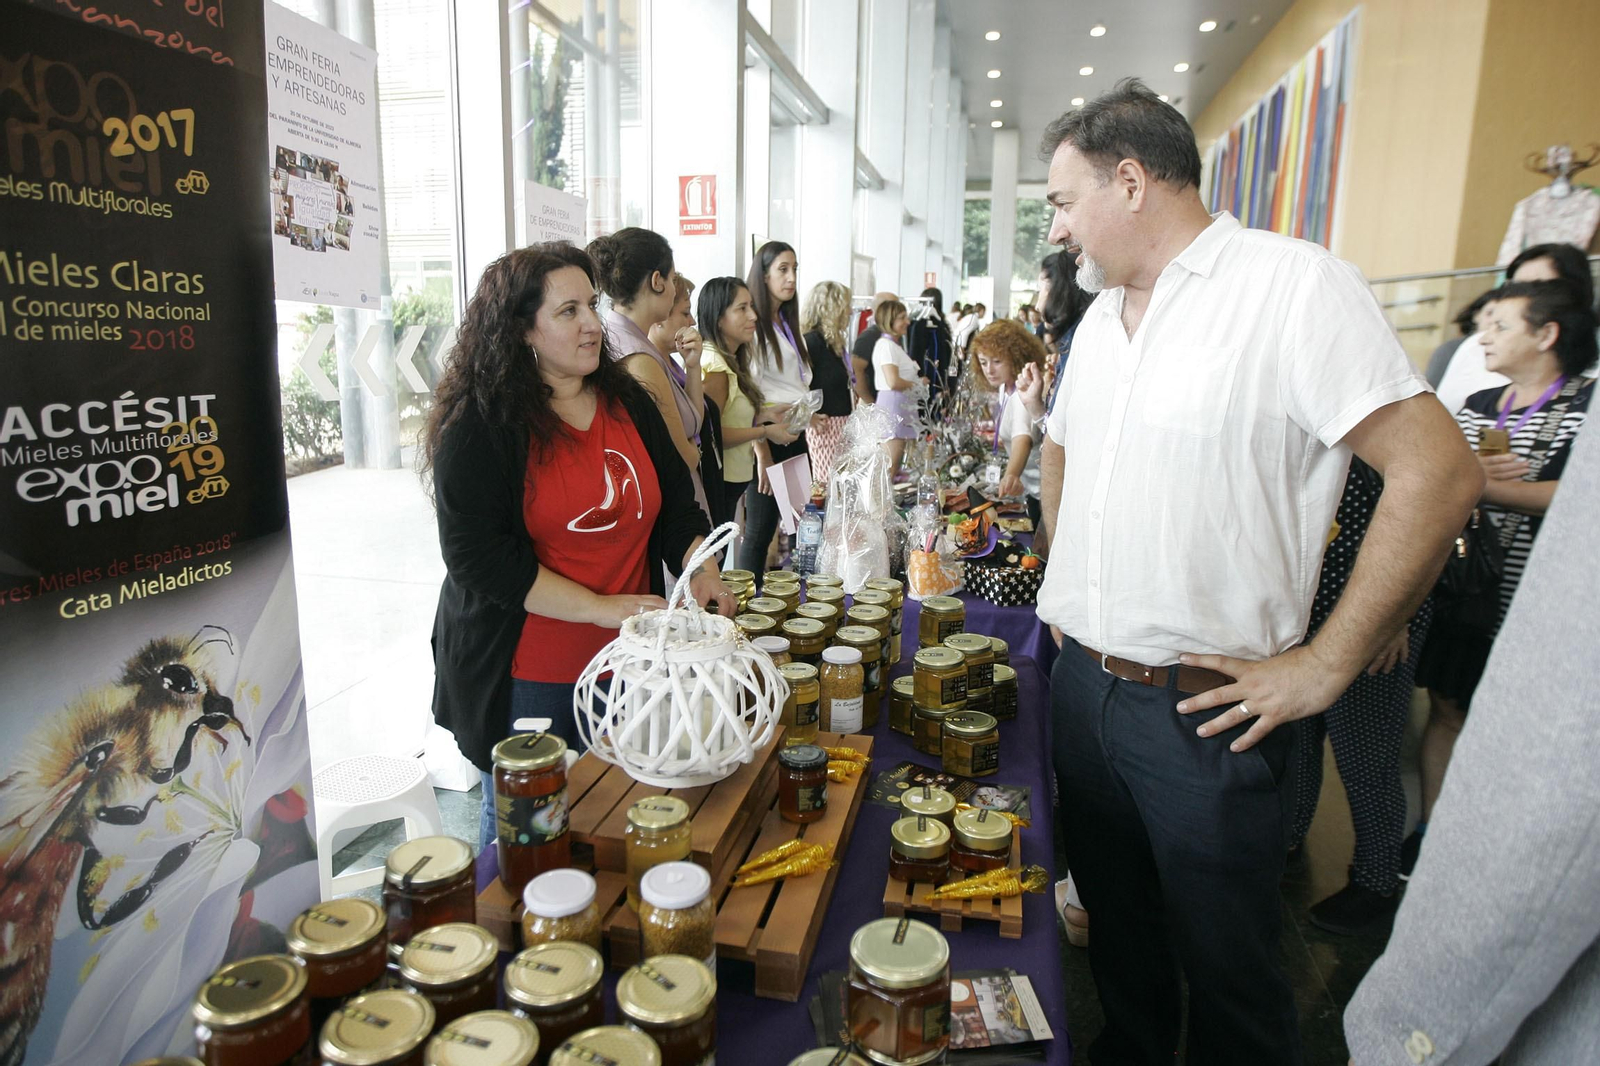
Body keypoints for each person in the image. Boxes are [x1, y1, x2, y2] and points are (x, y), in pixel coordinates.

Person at [1034, 80, 1481, 1066]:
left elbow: (1437, 472)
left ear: (1131, 178)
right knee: (1120, 935)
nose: (1057, 227)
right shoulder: (1097, 323)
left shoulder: (1291, 287)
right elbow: (1059, 444)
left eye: (1064, 200)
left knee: (1231, 968)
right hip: (1080, 691)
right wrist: (1071, 577)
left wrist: (1327, 661)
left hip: (1204, 708)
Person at [424, 243, 736, 847]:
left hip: (629, 665)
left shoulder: (627, 405)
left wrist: (702, 571)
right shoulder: (480, 427)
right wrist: (600, 609)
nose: (593, 323)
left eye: (591, 304)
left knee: (619, 816)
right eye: (569, 311)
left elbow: (678, 505)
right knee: (530, 836)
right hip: (532, 674)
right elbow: (478, 559)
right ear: (522, 329)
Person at [1342, 427, 1600, 1066]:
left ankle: (1379, 875)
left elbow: (1560, 788)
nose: (1486, 329)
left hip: (1390, 618)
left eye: (1502, 318)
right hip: (1332, 616)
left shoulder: (1396, 422)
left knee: (1372, 755)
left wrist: (1402, 1039)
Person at [1407, 280, 1596, 876]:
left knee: (1525, 725)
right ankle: (1435, 834)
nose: (1482, 336)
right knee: (1449, 709)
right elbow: (1441, 487)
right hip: (1469, 591)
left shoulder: (1586, 406)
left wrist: (1481, 484)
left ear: (1547, 334)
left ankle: (1504, 848)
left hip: (1546, 597)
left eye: (1500, 325)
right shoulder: (1481, 405)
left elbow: (1579, 496)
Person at [1288, 456, 1435, 935]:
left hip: (1370, 622)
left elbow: (1425, 528)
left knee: (1365, 757)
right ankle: (1287, 841)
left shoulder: (1385, 434)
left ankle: (1377, 885)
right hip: (1303, 617)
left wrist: (1397, 618)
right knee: (1298, 739)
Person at [588, 228, 711, 521]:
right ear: (657, 281)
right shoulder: (638, 357)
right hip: (667, 512)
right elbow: (683, 455)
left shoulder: (636, 343)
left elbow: (692, 422)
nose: (672, 288)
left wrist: (692, 367)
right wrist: (695, 450)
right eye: (670, 279)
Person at [1435, 242, 1597, 413]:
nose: (1519, 295)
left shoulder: (1588, 397)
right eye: (1514, 286)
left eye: (1537, 286)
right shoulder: (1474, 347)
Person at [698, 276, 797, 531]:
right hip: (719, 484)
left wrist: (765, 413)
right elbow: (711, 436)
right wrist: (764, 431)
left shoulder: (731, 360)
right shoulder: (716, 367)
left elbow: (730, 414)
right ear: (719, 318)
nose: (753, 316)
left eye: (751, 306)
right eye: (742, 309)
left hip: (731, 482)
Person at [742, 241, 811, 577]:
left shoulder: (784, 322)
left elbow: (793, 384)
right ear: (764, 275)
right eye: (783, 269)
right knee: (759, 532)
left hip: (795, 437)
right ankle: (743, 612)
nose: (791, 277)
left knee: (802, 529)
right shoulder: (755, 329)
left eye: (795, 269)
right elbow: (750, 397)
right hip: (770, 442)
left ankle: (803, 608)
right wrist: (762, 454)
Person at [649, 273, 725, 530]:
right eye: (684, 313)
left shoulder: (672, 362)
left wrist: (692, 366)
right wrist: (692, 449)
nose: (692, 321)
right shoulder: (649, 367)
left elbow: (696, 415)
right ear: (659, 318)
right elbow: (685, 436)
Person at [970, 319, 1048, 525]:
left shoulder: (1022, 394)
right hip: (1030, 486)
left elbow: (1023, 438)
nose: (989, 370)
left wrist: (1011, 475)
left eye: (997, 361)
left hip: (1040, 490)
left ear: (1015, 358)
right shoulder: (1007, 388)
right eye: (984, 362)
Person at [801, 280, 855, 484]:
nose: (850, 312)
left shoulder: (833, 343)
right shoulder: (811, 342)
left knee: (841, 488)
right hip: (824, 430)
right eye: (846, 306)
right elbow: (795, 386)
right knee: (827, 489)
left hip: (841, 427)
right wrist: (809, 416)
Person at [870, 298, 921, 479]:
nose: (907, 322)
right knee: (889, 468)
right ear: (889, 320)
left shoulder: (892, 346)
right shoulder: (887, 347)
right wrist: (919, 384)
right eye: (902, 318)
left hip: (899, 405)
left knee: (894, 466)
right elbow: (893, 382)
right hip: (893, 406)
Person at [1039, 250, 1090, 415]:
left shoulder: (1079, 341)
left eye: (1043, 289)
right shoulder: (1074, 340)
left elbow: (1060, 434)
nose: (1037, 306)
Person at [1425, 292, 1494, 389]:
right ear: (1476, 316)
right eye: (1490, 313)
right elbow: (1432, 388)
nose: (1495, 320)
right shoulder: (1450, 349)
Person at [905, 286, 954, 401]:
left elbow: (912, 352)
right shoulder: (941, 326)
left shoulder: (917, 325)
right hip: (935, 376)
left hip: (924, 377)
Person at [851, 288, 896, 404]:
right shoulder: (869, 337)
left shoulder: (894, 334)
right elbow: (856, 372)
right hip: (874, 406)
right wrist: (871, 403)